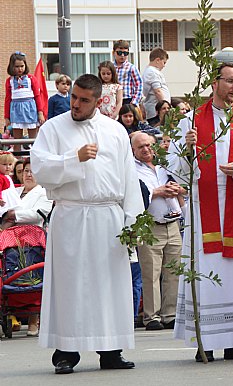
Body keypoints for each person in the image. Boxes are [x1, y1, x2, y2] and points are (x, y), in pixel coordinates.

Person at [31, 73, 144, 374]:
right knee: (71, 285)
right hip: (71, 214)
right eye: (74, 98)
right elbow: (39, 169)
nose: (76, 105)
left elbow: (129, 178)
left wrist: (133, 220)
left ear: (98, 101)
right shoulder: (53, 128)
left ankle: (110, 350)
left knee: (109, 285)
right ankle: (67, 351)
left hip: (108, 217)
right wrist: (73, 159)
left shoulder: (115, 131)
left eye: (84, 100)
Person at [170, 63, 233, 362]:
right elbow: (176, 169)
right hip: (204, 207)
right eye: (230, 81)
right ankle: (206, 341)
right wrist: (187, 151)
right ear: (214, 83)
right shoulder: (190, 120)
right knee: (204, 272)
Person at [132, 132, 184, 331]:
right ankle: (151, 316)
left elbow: (186, 186)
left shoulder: (165, 165)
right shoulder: (130, 169)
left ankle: (169, 314)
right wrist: (157, 192)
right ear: (133, 150)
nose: (146, 149)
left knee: (173, 271)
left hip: (172, 222)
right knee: (151, 273)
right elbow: (131, 193)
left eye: (148, 145)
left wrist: (176, 189)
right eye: (141, 147)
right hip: (150, 225)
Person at [0, 159, 54, 337]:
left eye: (32, 171)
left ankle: (33, 318)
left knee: (33, 277)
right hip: (9, 240)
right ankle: (12, 315)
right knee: (9, 274)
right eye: (25, 171)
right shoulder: (13, 191)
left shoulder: (45, 193)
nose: (28, 174)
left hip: (33, 240)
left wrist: (13, 214)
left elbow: (39, 213)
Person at [4, 52, 46, 152]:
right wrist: (6, 117)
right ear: (12, 67)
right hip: (16, 110)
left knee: (34, 139)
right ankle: (18, 161)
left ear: (25, 65)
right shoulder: (9, 81)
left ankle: (34, 159)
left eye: (22, 66)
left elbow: (37, 96)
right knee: (17, 140)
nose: (20, 69)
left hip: (30, 109)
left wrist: (40, 113)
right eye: (17, 66)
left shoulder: (31, 79)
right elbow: (8, 99)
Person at [142, 48, 171, 120]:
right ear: (158, 60)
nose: (164, 65)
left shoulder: (151, 71)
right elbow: (157, 91)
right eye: (164, 62)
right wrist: (164, 106)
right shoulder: (152, 72)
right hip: (156, 111)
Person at [113, 40, 143, 108]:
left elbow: (139, 85)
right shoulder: (111, 67)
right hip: (114, 99)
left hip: (127, 99)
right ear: (114, 53)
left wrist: (134, 102)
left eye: (125, 53)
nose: (122, 55)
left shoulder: (131, 67)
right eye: (119, 53)